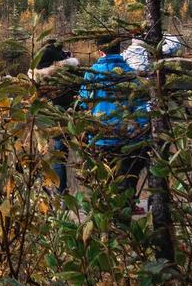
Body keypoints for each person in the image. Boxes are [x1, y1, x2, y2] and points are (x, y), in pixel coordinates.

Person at [77, 34, 150, 205]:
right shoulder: (131, 74)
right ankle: (128, 208)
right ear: (119, 50)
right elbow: (140, 106)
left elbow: (83, 101)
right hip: (128, 137)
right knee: (127, 178)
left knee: (105, 179)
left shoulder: (92, 74)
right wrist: (141, 132)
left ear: (100, 50)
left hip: (100, 137)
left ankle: (107, 213)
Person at [32, 39, 81, 193]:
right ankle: (64, 192)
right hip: (65, 115)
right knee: (62, 154)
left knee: (45, 154)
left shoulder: (35, 77)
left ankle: (48, 191)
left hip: (42, 118)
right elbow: (79, 89)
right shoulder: (66, 74)